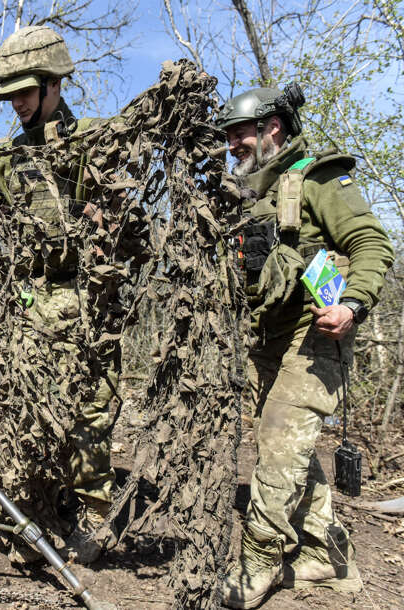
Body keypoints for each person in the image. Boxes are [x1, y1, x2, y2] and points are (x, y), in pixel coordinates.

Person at [216, 84, 393, 609]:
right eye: (228, 136)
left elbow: (372, 242)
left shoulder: (317, 179)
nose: (232, 145)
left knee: (276, 442)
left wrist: (352, 304)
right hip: (268, 336)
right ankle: (328, 555)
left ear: (273, 127)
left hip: (317, 333)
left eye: (240, 133)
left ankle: (259, 563)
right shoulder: (248, 194)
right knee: (290, 448)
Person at [0, 25, 121, 565]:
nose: (15, 105)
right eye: (9, 96)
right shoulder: (6, 159)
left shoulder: (95, 143)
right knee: (28, 414)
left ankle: (90, 521)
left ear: (55, 85)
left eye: (25, 93)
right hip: (26, 308)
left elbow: (125, 223)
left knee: (90, 415)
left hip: (86, 308)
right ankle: (35, 520)